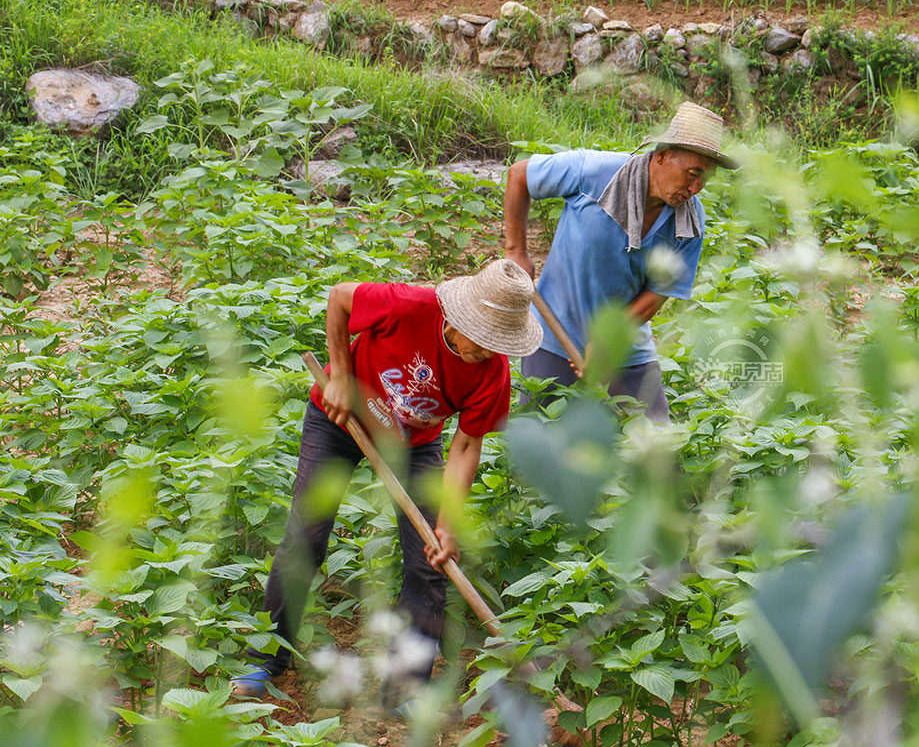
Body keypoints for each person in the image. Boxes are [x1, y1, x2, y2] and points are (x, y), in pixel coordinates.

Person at [230, 259, 542, 712]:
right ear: (459, 319)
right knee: (307, 536)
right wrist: (339, 374)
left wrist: (449, 524)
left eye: (500, 343)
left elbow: (466, 446)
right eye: (484, 338)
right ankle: (265, 658)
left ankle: (404, 687)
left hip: (413, 444)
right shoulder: (409, 306)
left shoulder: (491, 372)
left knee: (429, 560)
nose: (489, 351)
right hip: (340, 418)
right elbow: (339, 297)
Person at [503, 101, 735, 423]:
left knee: (655, 450)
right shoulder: (594, 172)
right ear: (662, 154)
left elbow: (657, 295)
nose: (695, 188)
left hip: (626, 350)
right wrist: (516, 250)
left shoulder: (691, 220)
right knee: (541, 440)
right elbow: (520, 176)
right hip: (556, 336)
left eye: (705, 179)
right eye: (692, 173)